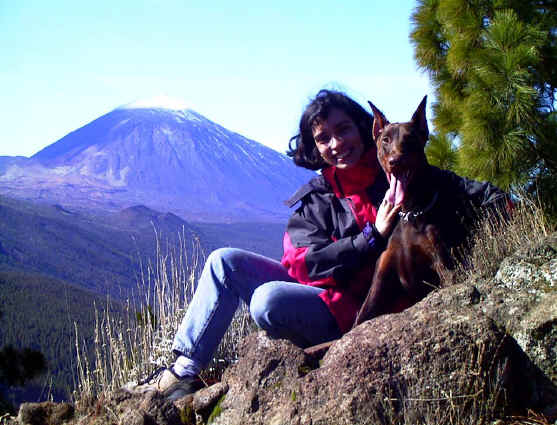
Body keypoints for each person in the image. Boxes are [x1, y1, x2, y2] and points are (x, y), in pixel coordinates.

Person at [130, 89, 401, 400]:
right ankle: (182, 374)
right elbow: (302, 263)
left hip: (358, 309)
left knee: (267, 300)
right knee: (223, 262)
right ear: (314, 147)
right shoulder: (319, 195)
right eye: (323, 138)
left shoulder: (394, 177)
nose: (336, 143)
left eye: (343, 130)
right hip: (325, 296)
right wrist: (369, 239)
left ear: (364, 128)